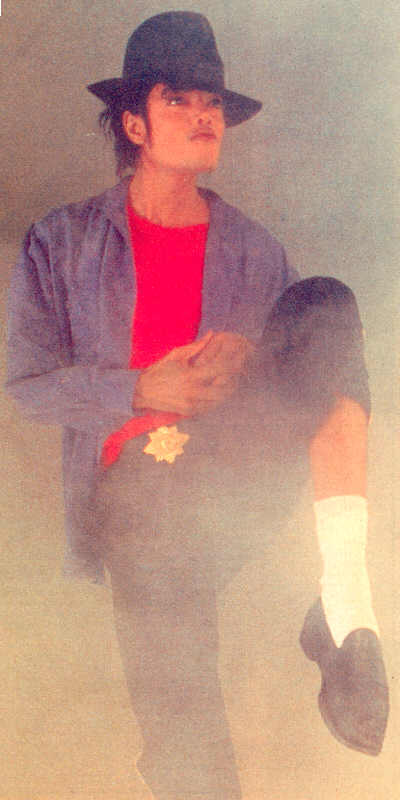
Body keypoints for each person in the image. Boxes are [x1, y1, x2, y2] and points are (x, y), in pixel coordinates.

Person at [6, 11, 389, 800]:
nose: (204, 114)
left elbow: (312, 376)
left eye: (211, 100)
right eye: (178, 98)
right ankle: (183, 763)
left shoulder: (256, 248)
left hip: (230, 476)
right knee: (191, 749)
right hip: (136, 501)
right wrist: (138, 388)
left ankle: (345, 597)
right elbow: (25, 384)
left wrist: (251, 360)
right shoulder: (62, 240)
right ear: (134, 123)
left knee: (325, 303)